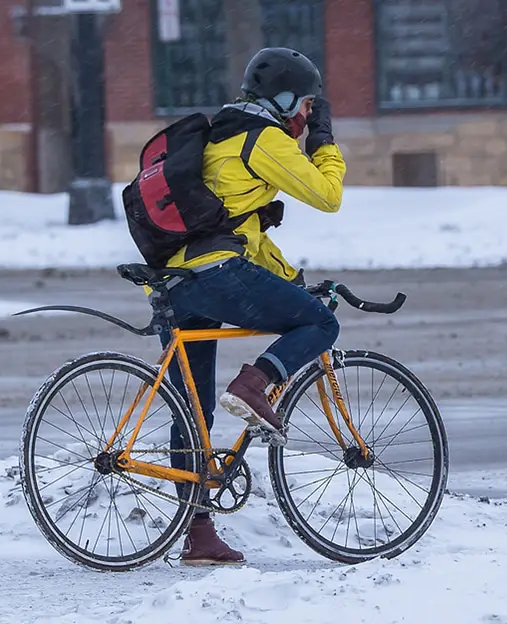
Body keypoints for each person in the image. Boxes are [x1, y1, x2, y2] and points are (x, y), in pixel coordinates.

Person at [157, 47, 346, 566]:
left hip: (178, 280)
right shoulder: (262, 139)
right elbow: (329, 195)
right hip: (217, 274)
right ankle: (255, 382)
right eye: (306, 104)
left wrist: (293, 282)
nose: (307, 115)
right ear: (285, 100)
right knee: (321, 323)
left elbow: (243, 235)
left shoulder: (223, 133)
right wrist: (323, 142)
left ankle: (198, 536)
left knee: (192, 410)